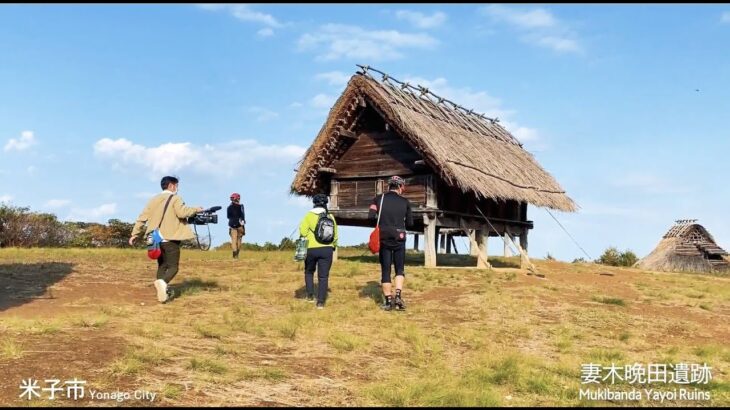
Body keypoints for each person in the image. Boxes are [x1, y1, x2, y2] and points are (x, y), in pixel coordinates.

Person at [129, 176, 203, 303]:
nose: (177, 188)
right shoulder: (176, 198)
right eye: (177, 186)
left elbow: (142, 217)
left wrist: (134, 234)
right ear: (171, 186)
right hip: (169, 237)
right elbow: (182, 213)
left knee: (162, 265)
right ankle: (163, 283)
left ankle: (162, 292)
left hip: (154, 238)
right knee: (173, 267)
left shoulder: (153, 199)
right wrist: (197, 209)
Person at [369, 176, 413, 311]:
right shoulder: (405, 202)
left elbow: (371, 217)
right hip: (399, 236)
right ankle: (398, 296)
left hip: (384, 236)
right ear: (400, 187)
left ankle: (388, 301)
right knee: (399, 268)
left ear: (389, 186)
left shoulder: (378, 199)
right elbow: (410, 223)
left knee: (386, 270)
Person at [298, 193, 338, 309]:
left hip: (311, 248)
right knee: (323, 276)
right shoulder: (330, 216)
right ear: (326, 203)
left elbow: (303, 232)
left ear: (314, 203)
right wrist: (333, 246)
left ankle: (310, 295)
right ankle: (320, 302)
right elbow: (335, 235)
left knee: (309, 271)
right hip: (327, 249)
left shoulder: (309, 215)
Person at [227, 192, 246, 259]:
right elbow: (243, 216)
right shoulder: (241, 206)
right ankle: (237, 254)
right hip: (240, 225)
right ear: (238, 199)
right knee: (239, 240)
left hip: (232, 225)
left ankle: (234, 255)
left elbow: (228, 217)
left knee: (233, 241)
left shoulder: (229, 207)